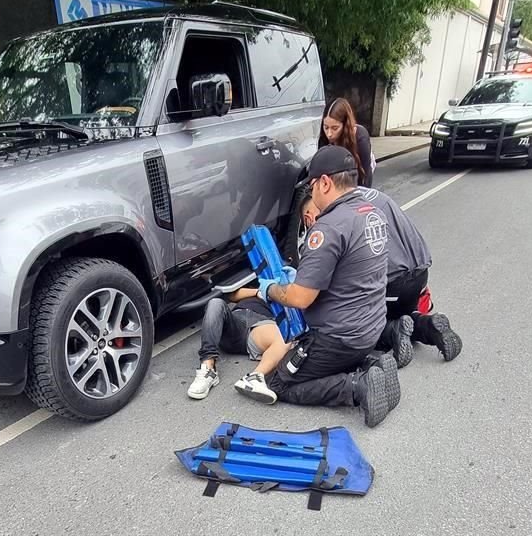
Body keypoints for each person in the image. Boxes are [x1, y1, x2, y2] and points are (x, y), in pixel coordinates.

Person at [233, 145, 399, 427]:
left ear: (324, 182)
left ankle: (357, 387)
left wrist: (270, 289)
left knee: (277, 382)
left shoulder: (327, 228)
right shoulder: (372, 212)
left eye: (311, 186)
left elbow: (300, 298)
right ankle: (372, 366)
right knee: (309, 362)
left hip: (338, 338)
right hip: (370, 328)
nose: (311, 194)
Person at [300, 187, 462, 368]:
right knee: (401, 315)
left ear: (308, 216)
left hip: (392, 283)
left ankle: (393, 334)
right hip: (419, 275)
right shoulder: (367, 194)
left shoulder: (336, 219)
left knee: (355, 329)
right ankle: (429, 325)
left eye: (307, 224)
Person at [187, 288, 291, 400]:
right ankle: (207, 368)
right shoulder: (263, 283)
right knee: (215, 302)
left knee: (284, 338)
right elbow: (232, 295)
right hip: (235, 321)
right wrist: (260, 292)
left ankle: (254, 378)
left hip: (261, 324)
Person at [319, 98, 375, 187]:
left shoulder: (360, 137)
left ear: (345, 125)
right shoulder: (323, 137)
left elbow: (365, 175)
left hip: (358, 178)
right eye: (326, 127)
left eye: (335, 128)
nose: (329, 134)